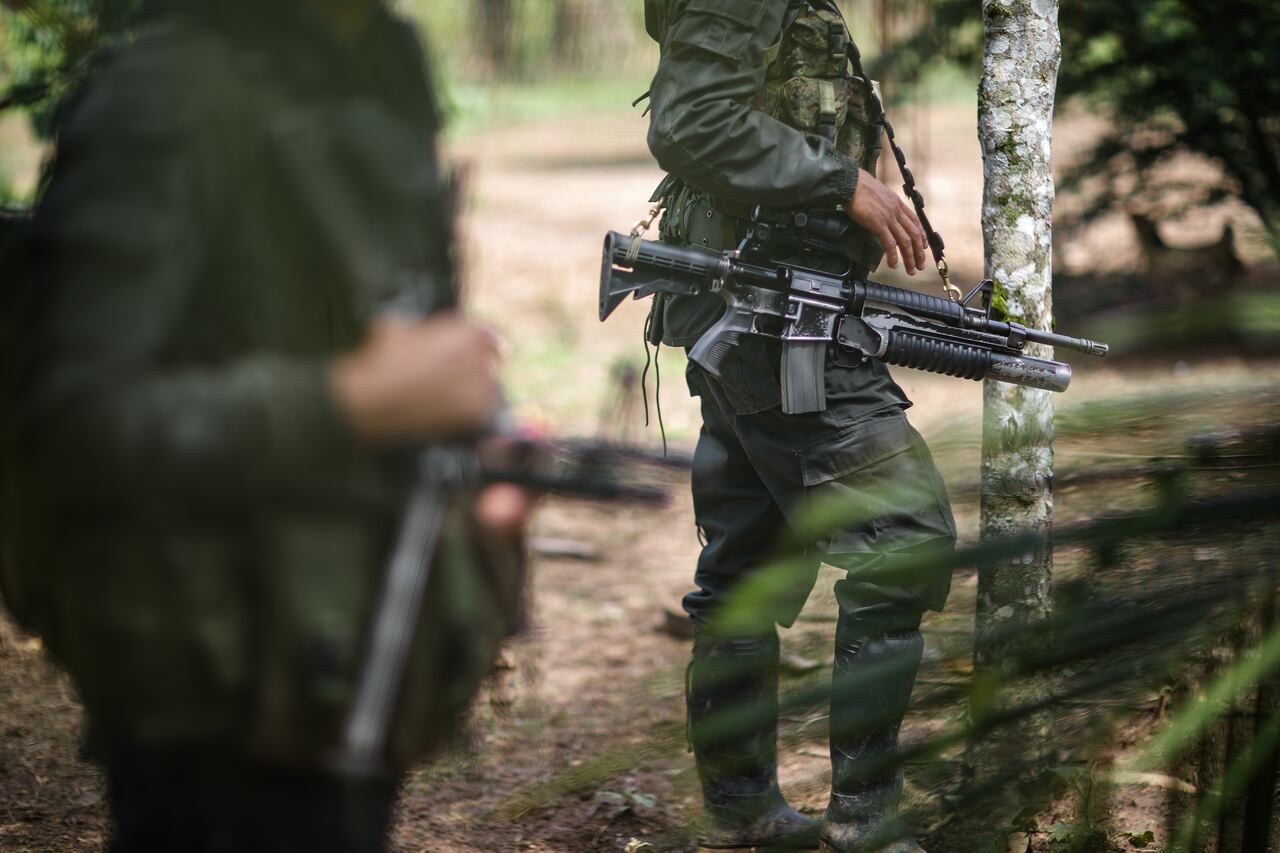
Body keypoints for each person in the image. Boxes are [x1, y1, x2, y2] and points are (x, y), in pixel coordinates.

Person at [3, 1, 533, 850]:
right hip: (210, 693)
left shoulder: (379, 60)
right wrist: (348, 402)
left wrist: (466, 451)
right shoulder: (168, 91)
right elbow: (68, 428)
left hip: (359, 651)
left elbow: (374, 327)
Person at [642, 1, 957, 851]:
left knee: (748, 564)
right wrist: (843, 182)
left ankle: (745, 813)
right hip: (771, 322)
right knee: (906, 535)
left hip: (770, 312)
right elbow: (692, 121)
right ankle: (866, 820)